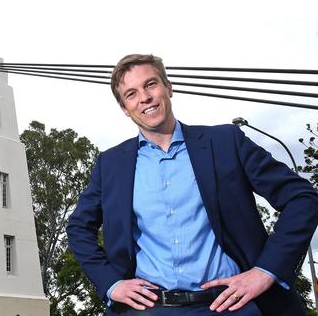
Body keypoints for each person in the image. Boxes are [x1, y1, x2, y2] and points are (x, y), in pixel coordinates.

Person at [66, 54, 318, 315]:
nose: (144, 97)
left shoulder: (225, 142)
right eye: (131, 94)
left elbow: (302, 198)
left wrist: (265, 271)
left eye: (150, 84)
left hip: (233, 305)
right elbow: (78, 227)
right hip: (151, 309)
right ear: (124, 108)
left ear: (168, 87)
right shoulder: (110, 165)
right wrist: (111, 283)